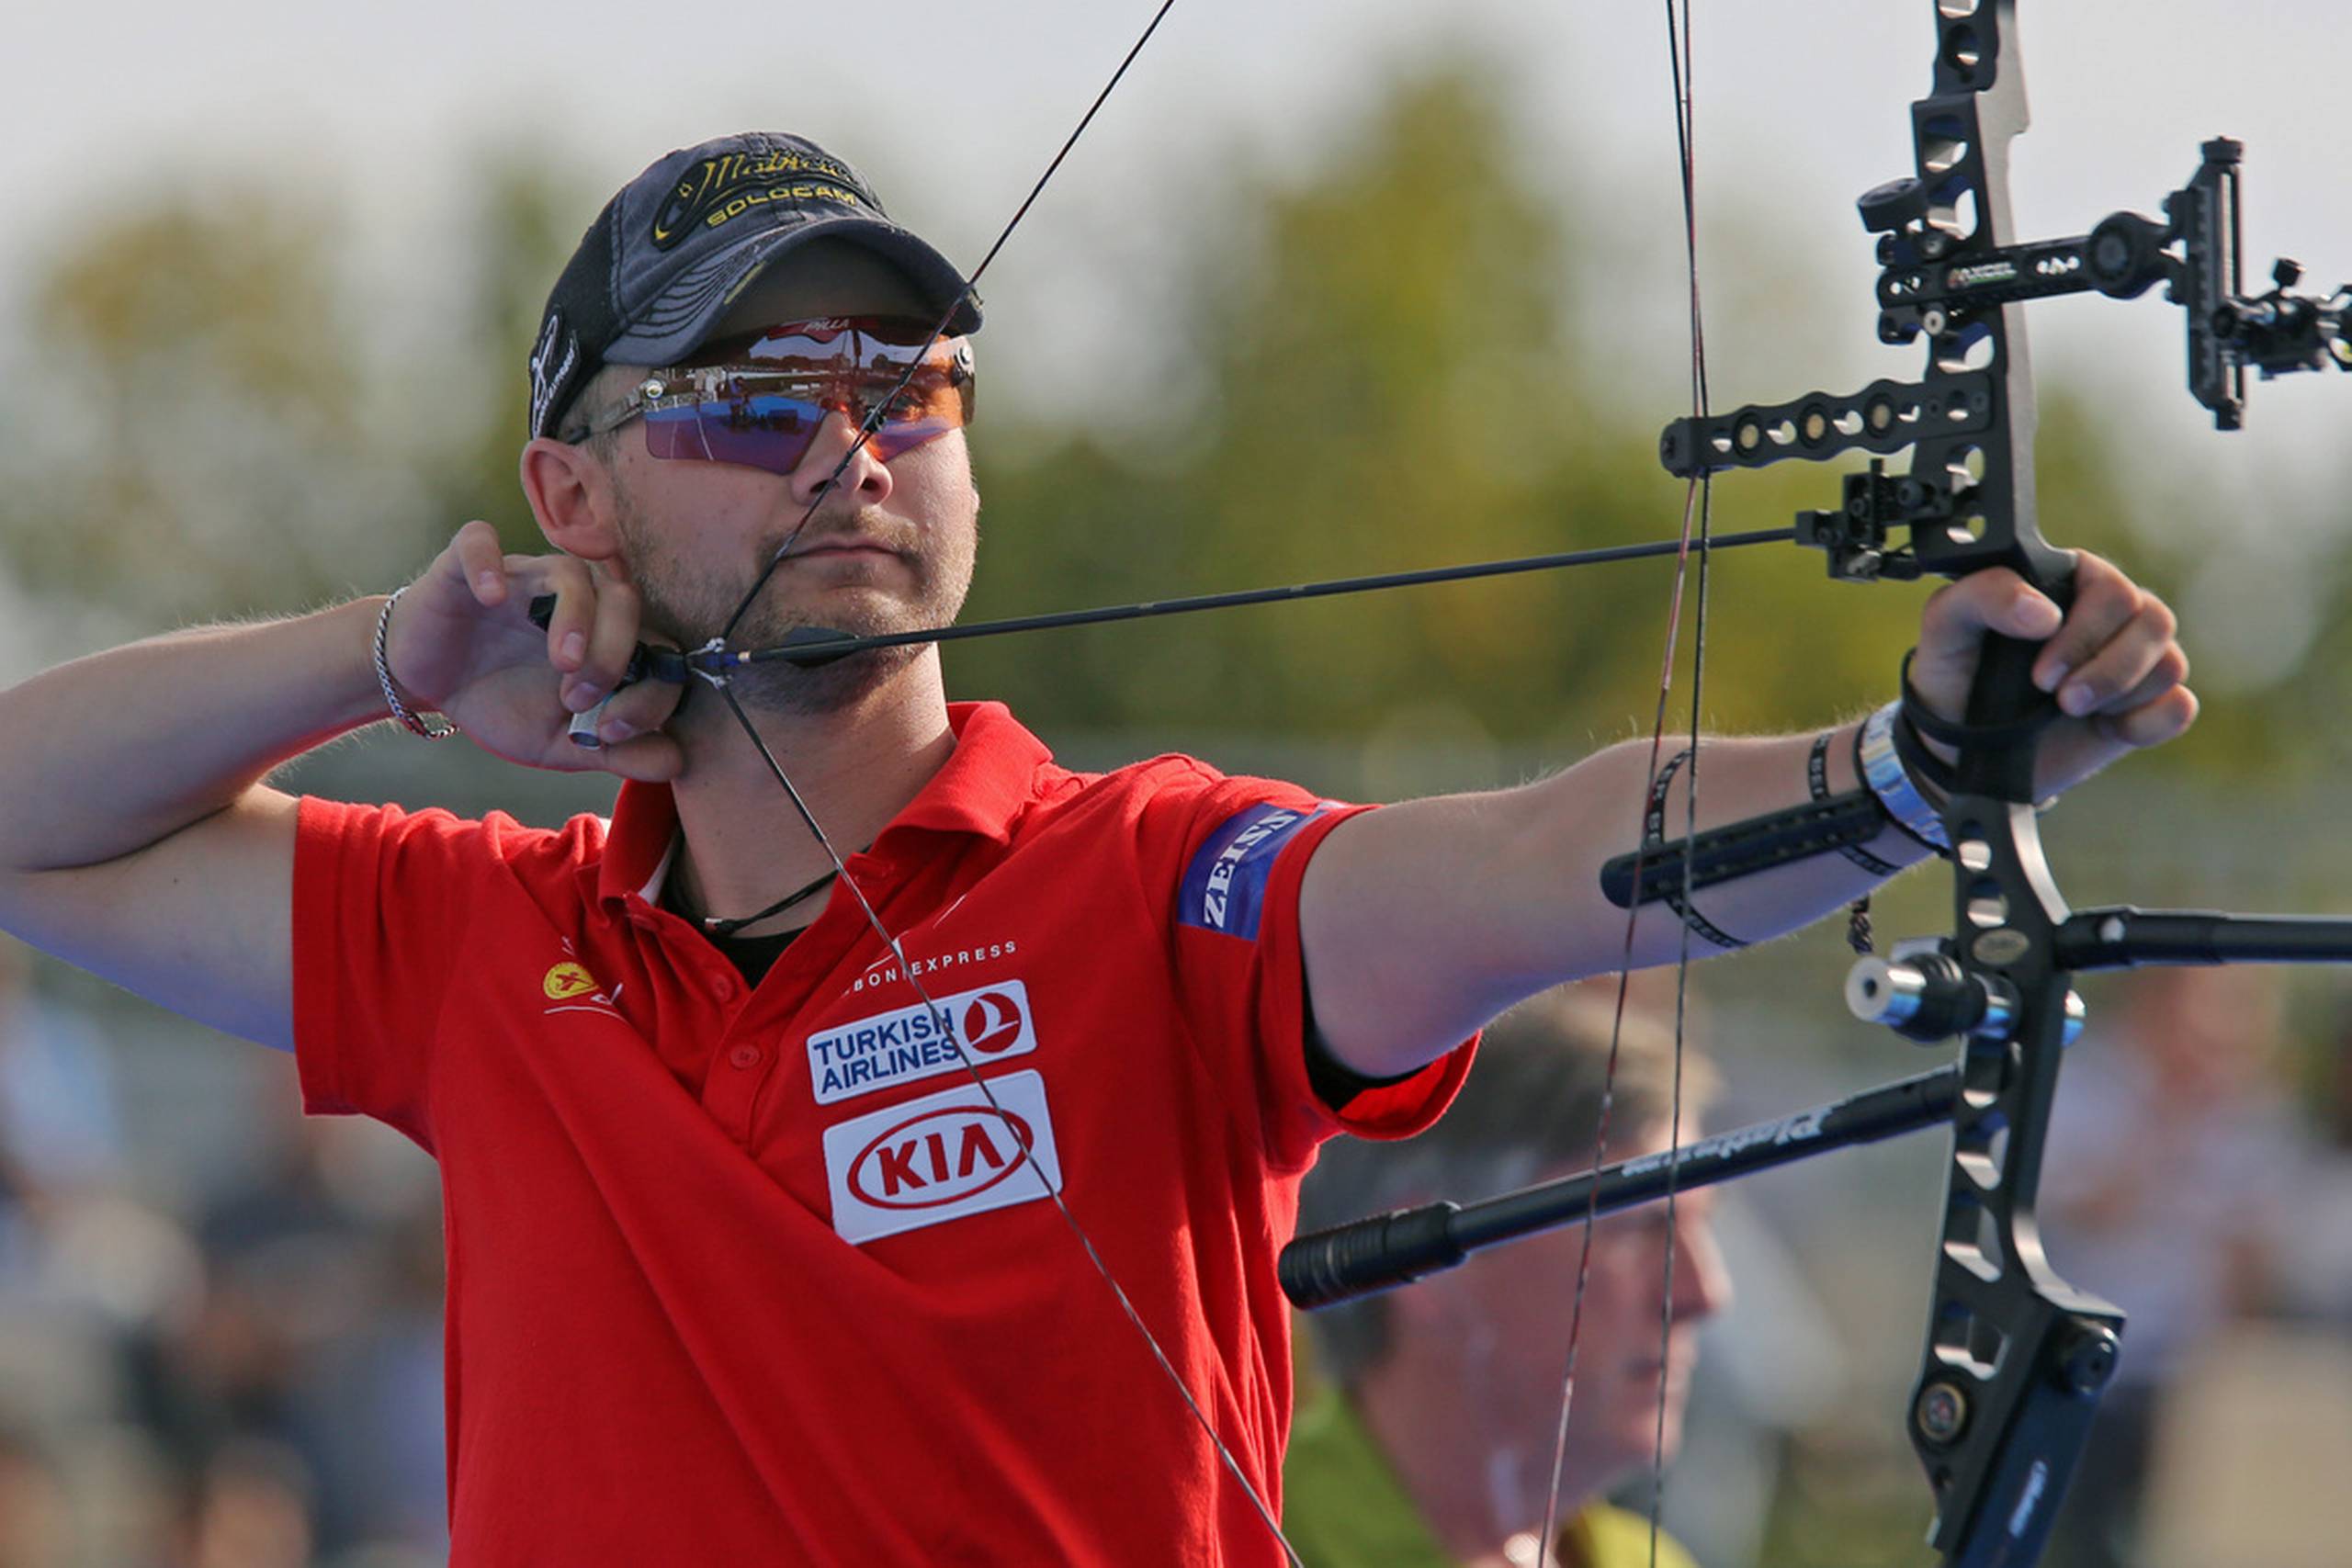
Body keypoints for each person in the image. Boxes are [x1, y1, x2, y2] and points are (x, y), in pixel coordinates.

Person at [0, 130, 2196, 1563]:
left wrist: (1906, 756)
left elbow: (1531, 852)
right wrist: (389, 650)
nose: (849, 451)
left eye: (910, 392)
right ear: (568, 495)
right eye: (756, 405)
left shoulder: (1148, 883)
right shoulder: (491, 939)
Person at [1285, 987, 1724, 1568]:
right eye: (1637, 1228)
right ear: (1419, 1267)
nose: (1704, 1293)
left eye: (1699, 1225)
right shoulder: (1230, 1530)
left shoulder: (1649, 1559)